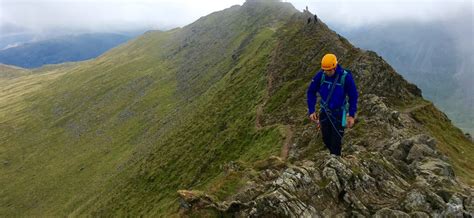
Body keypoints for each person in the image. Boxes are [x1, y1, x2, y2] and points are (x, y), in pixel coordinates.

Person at [306, 54, 358, 156]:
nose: (327, 72)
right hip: (325, 113)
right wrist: (311, 110)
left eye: (329, 70)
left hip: (339, 114)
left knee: (336, 142)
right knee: (326, 139)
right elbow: (311, 92)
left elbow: (353, 96)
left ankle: (336, 160)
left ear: (335, 67)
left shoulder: (345, 77)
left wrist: (351, 115)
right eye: (325, 70)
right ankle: (334, 156)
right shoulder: (320, 76)